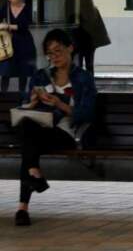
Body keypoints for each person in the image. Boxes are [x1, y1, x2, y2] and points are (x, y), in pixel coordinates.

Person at [13, 29, 97, 226]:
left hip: (66, 133)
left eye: (58, 51)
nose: (54, 57)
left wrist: (59, 104)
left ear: (70, 48)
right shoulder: (41, 76)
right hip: (39, 128)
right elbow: (24, 107)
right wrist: (32, 102)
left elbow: (87, 113)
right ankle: (33, 177)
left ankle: (23, 206)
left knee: (28, 142)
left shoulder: (84, 78)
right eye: (49, 54)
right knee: (28, 130)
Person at [0, 0, 36, 94]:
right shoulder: (6, 7)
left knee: (23, 73)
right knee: (5, 72)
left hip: (24, 44)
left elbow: (25, 26)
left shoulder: (27, 8)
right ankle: (3, 97)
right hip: (9, 44)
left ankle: (20, 97)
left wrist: (8, 26)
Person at [72, 0, 110, 76]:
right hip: (90, 43)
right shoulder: (94, 11)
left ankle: (80, 82)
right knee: (90, 65)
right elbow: (100, 27)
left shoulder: (77, 12)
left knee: (79, 64)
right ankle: (90, 82)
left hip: (79, 43)